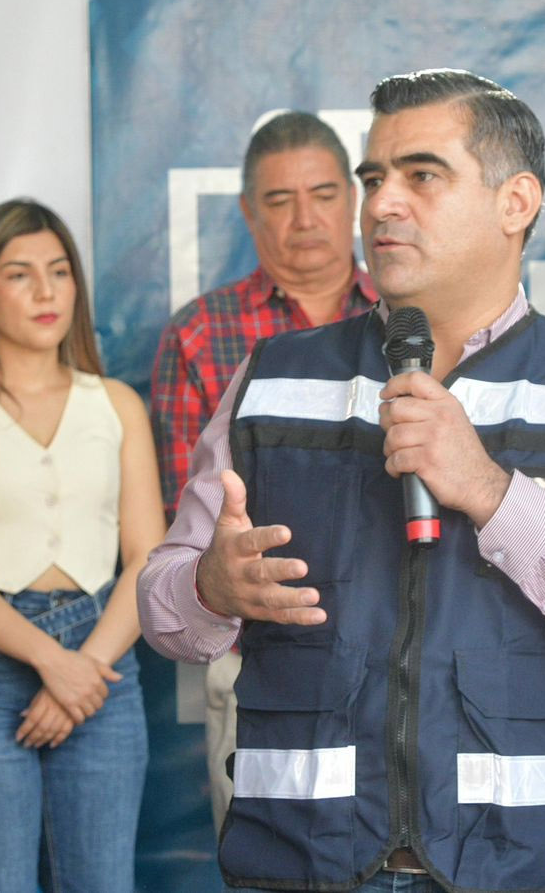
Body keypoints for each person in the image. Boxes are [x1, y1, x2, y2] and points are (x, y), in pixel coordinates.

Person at [139, 68, 545, 892]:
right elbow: (162, 606)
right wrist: (207, 586)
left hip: (520, 869)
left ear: (515, 202)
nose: (381, 204)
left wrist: (493, 494)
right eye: (374, 177)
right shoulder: (271, 380)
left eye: (422, 176)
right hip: (305, 864)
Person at [0, 199, 164, 892]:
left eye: (59, 271)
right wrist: (54, 663)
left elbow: (148, 559)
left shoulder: (116, 404)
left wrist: (86, 670)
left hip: (103, 658)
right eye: (20, 274)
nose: (46, 291)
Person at [151, 110, 375, 831]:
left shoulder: (412, 322)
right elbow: (190, 525)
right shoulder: (201, 333)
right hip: (260, 656)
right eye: (280, 200)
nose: (305, 219)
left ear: (354, 199)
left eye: (323, 194)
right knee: (270, 861)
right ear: (249, 212)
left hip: (401, 651)